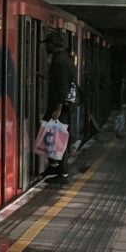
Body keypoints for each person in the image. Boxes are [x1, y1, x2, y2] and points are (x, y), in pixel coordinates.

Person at [43, 31, 75, 182]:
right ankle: (56, 167)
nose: (46, 47)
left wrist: (58, 108)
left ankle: (62, 173)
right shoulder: (64, 59)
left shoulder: (60, 61)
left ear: (53, 45)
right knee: (53, 135)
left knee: (57, 137)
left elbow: (62, 86)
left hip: (58, 105)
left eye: (48, 44)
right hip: (60, 104)